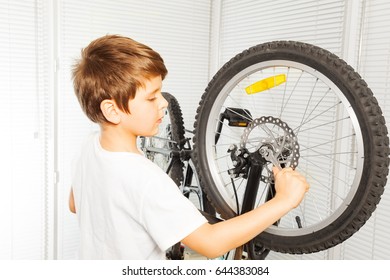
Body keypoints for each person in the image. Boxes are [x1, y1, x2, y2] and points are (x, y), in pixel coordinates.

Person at [69, 34, 309, 260]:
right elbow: (211, 243)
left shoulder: (90, 146)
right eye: (152, 97)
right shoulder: (145, 179)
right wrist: (283, 200)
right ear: (112, 110)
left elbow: (74, 204)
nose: (163, 103)